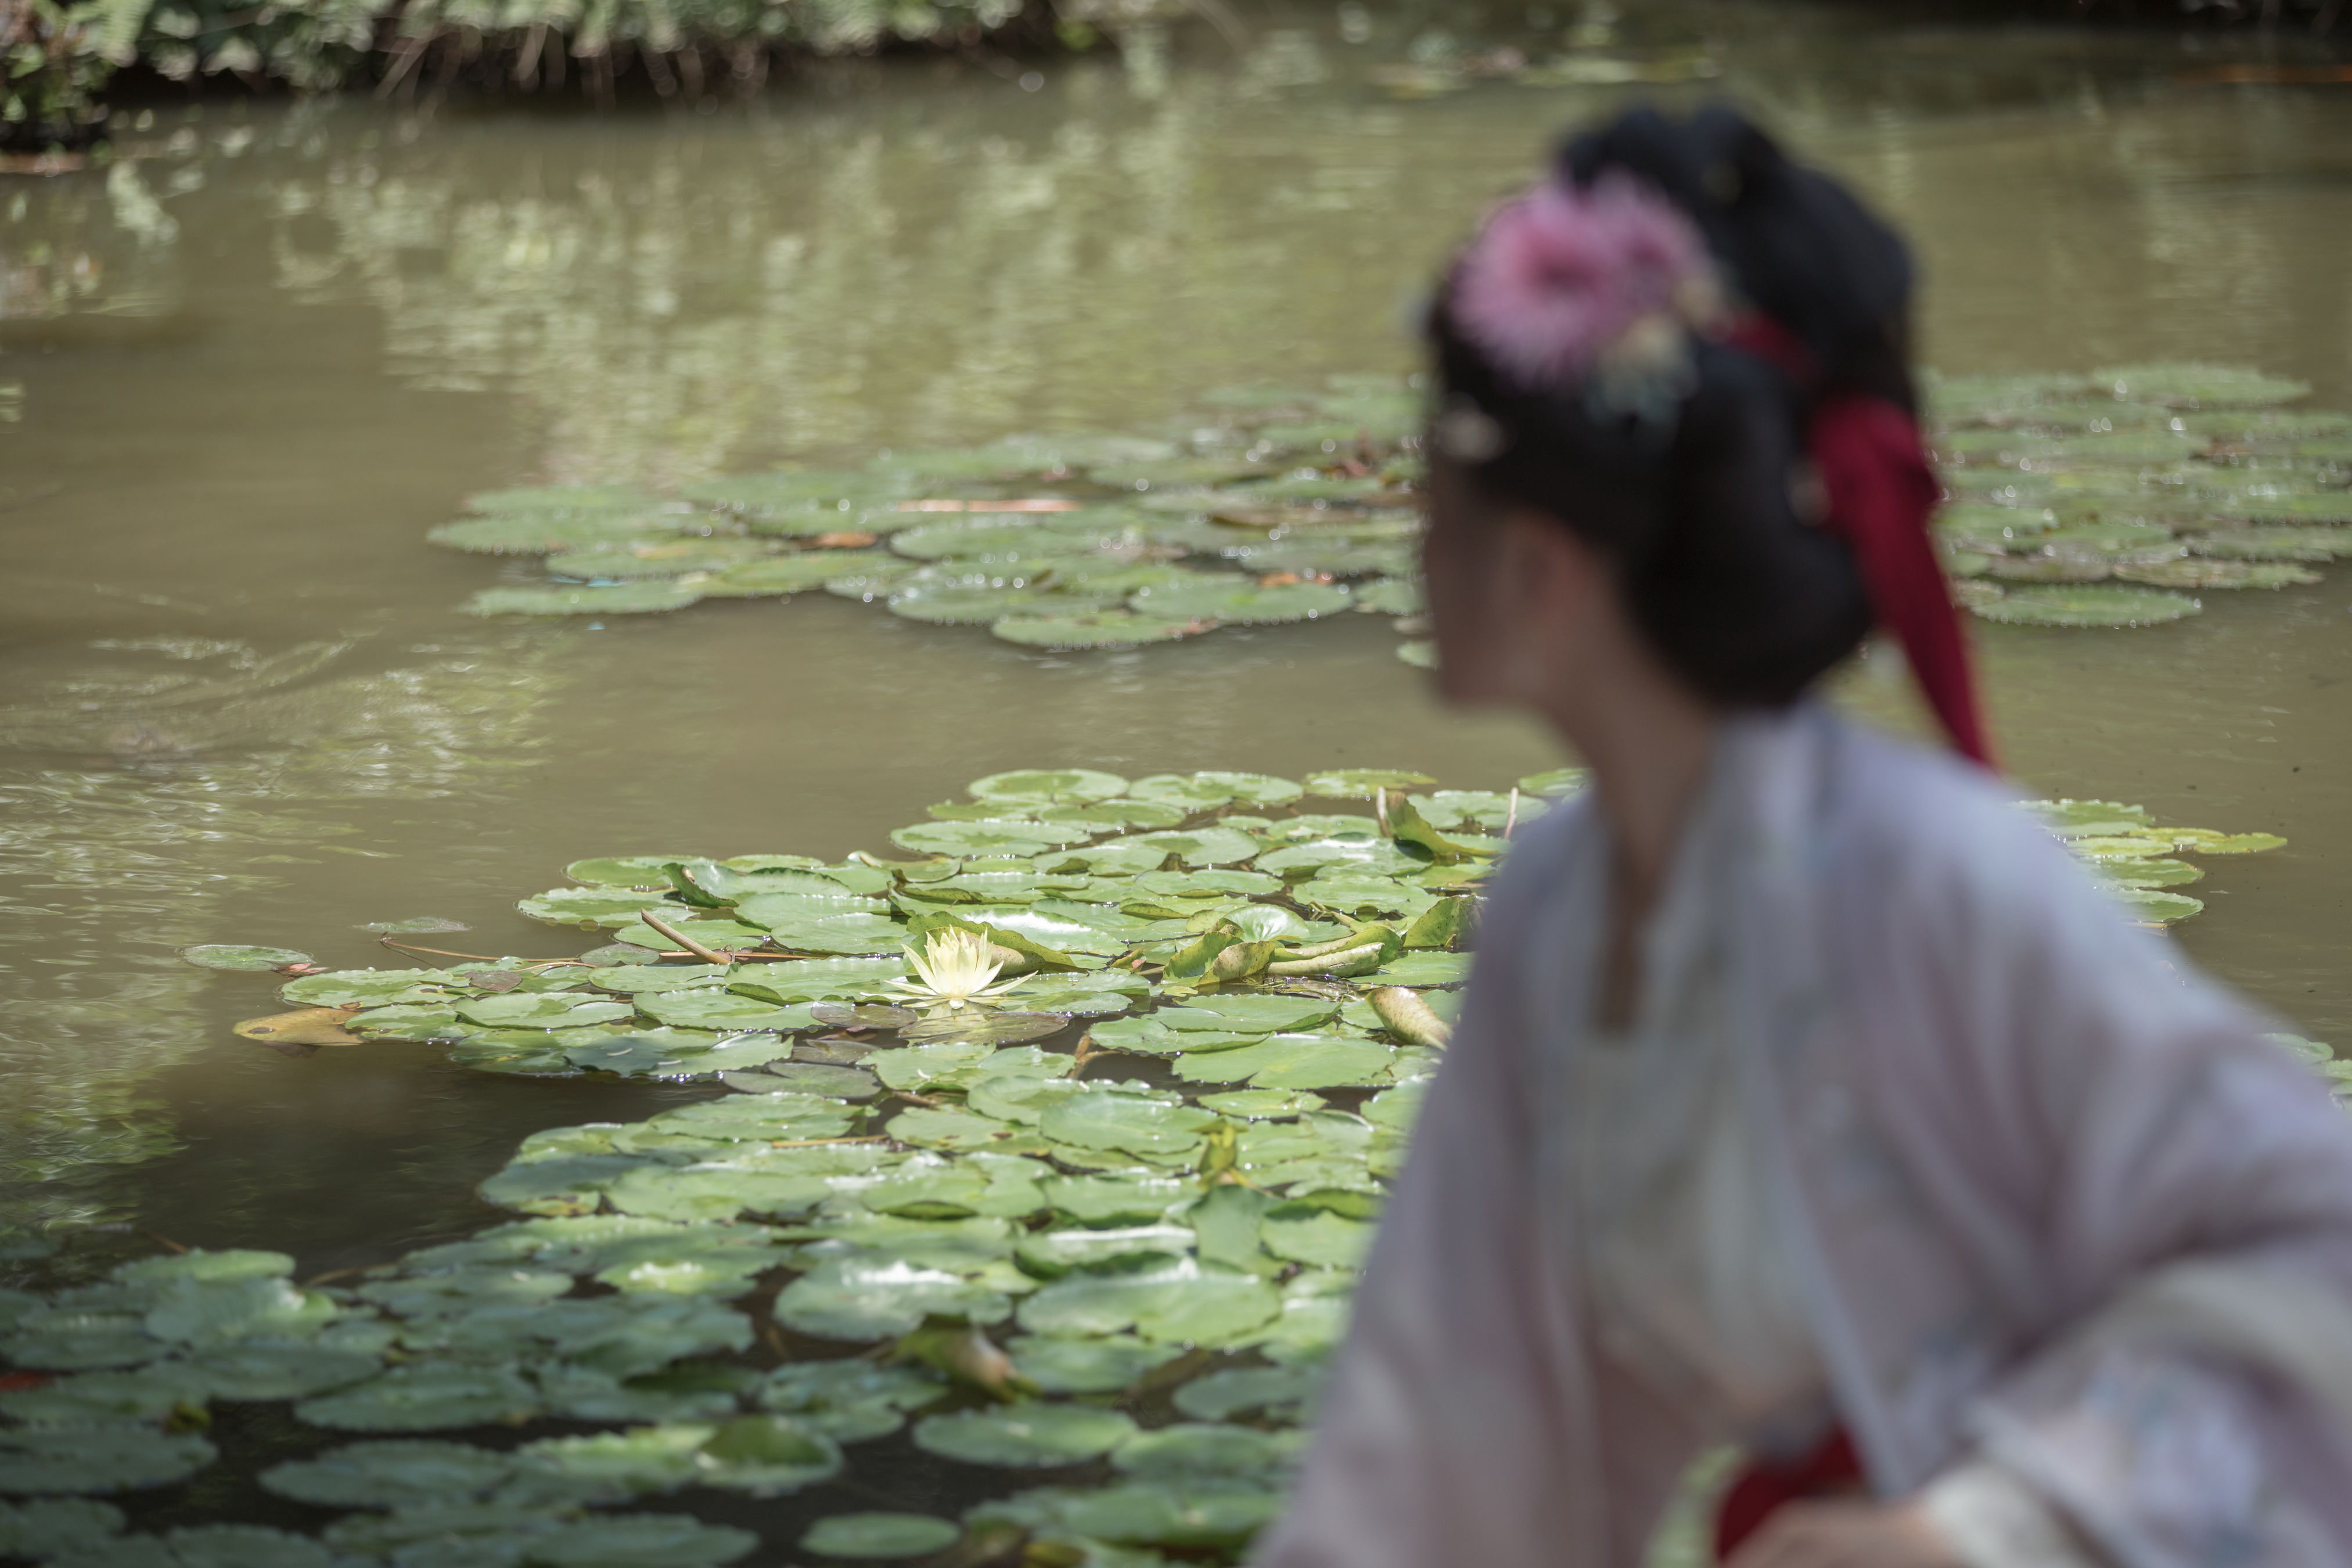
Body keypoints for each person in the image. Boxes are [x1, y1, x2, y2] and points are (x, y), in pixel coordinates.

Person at [1253, 105, 2352, 1568]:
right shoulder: (1555, 910)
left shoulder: (1933, 878)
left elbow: (2321, 1248)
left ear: (1538, 562)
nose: (1412, 531)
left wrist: (1993, 1522)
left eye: (1434, 483)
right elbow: (1443, 1420)